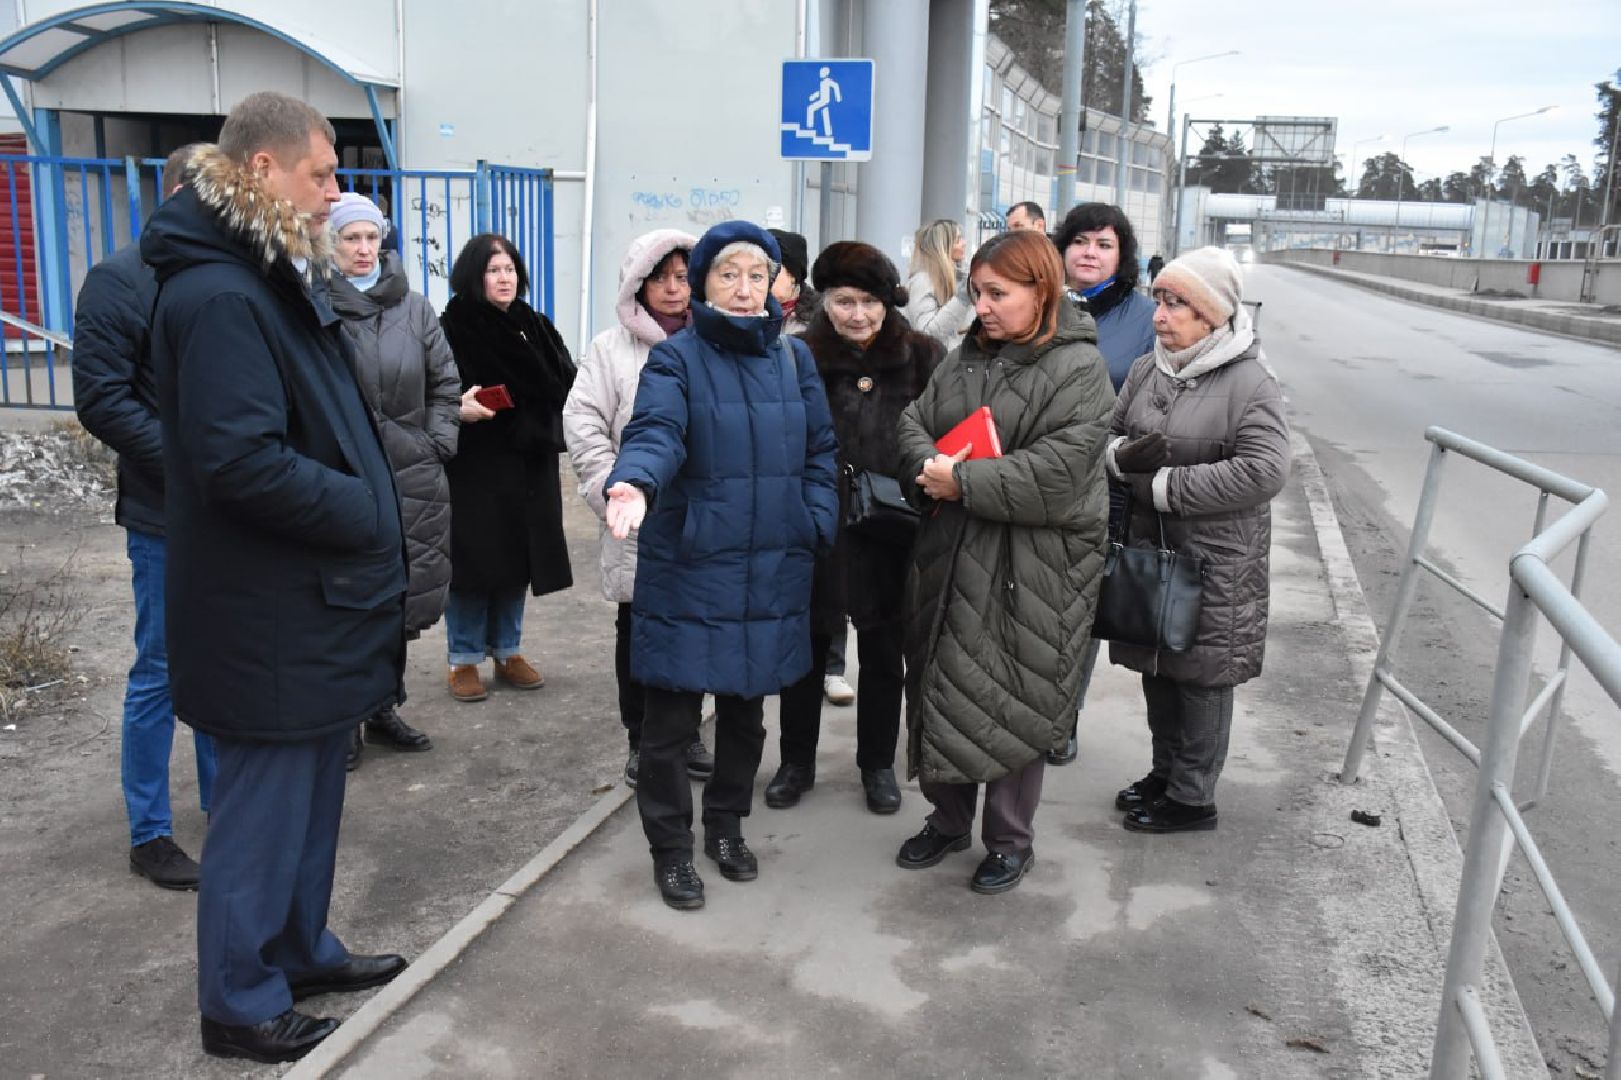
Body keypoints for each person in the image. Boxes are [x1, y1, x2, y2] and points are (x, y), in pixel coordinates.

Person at [141, 92, 408, 1064]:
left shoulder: (262, 275)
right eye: (321, 173)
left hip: (307, 603)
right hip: (266, 610)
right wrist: (363, 509)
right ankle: (240, 1003)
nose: (335, 193)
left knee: (309, 803)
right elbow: (239, 461)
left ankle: (297, 951)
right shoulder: (217, 294)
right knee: (260, 816)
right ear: (261, 171)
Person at [602, 221, 837, 912]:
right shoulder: (676, 361)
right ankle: (670, 851)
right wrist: (634, 483)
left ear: (775, 285)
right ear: (702, 283)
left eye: (756, 275)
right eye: (727, 274)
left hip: (770, 565)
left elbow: (822, 452)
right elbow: (655, 433)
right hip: (692, 565)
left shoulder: (794, 363)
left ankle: (726, 829)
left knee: (745, 717)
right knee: (670, 727)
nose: (743, 289)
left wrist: (813, 519)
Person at [893, 230, 1113, 896]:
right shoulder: (963, 357)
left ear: (1039, 291)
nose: (981, 307)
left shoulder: (1077, 369)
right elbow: (913, 420)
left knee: (1017, 693)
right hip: (951, 551)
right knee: (941, 681)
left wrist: (962, 483)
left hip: (1034, 565)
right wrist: (926, 466)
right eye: (976, 292)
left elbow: (1060, 470)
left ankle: (1010, 839)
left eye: (997, 294)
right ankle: (948, 819)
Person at [1106, 246, 1291, 833]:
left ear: (1213, 314)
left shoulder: (1249, 381)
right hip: (1151, 551)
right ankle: (1165, 775)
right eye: (1159, 300)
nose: (1161, 315)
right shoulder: (1147, 369)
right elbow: (1107, 437)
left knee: (1203, 677)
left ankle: (1193, 798)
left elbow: (1265, 471)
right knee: (1158, 667)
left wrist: (1163, 487)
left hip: (1216, 560)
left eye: (1177, 304)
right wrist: (1118, 459)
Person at [71, 144, 217, 891]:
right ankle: (149, 832)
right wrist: (193, 464)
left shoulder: (230, 275)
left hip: (234, 512)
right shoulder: (119, 279)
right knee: (161, 667)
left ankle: (226, 808)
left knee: (224, 663)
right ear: (190, 191)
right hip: (166, 511)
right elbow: (101, 398)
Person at [766, 242, 944, 815]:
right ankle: (797, 760)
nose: (858, 315)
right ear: (826, 301)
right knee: (808, 646)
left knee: (885, 646)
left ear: (889, 302)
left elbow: (947, 432)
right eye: (845, 301)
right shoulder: (795, 356)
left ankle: (877, 765)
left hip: (895, 527)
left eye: (870, 302)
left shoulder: (922, 356)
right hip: (815, 523)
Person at [563, 228, 714, 788]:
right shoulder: (610, 349)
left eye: (683, 277)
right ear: (638, 284)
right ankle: (641, 739)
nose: (674, 290)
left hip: (700, 518)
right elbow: (584, 425)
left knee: (694, 627)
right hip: (637, 515)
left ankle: (689, 732)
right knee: (640, 629)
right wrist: (613, 488)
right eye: (661, 278)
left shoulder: (713, 342)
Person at [327, 192, 464, 770]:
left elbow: (445, 382)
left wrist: (437, 442)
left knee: (400, 592)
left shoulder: (414, 308)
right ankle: (342, 720)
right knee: (345, 596)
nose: (363, 250)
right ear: (329, 245)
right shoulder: (314, 304)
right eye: (349, 239)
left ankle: (383, 706)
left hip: (411, 469)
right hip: (343, 472)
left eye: (370, 238)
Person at [438, 234, 577, 702]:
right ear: (474, 276)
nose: (505, 278)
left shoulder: (533, 323)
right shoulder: (451, 326)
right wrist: (458, 406)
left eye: (510, 269)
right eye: (494, 270)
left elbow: (565, 379)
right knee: (475, 560)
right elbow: (436, 391)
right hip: (477, 461)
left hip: (530, 460)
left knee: (519, 556)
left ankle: (507, 648)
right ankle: (463, 657)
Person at [1047, 202, 1159, 766]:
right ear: (1062, 248)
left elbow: (1149, 401)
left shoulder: (1143, 316)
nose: (1091, 253)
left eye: (1105, 244)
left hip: (1099, 480)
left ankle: (1062, 719)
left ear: (1122, 255)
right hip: (1032, 472)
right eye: (1082, 241)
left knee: (1080, 606)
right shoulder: (1036, 300)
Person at [903, 219, 975, 346]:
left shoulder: (955, 278)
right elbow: (926, 333)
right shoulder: (922, 281)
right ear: (942, 246)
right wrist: (963, 297)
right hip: (933, 363)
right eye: (958, 239)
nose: (964, 243)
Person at [768, 227, 818, 335]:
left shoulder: (821, 318)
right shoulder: (748, 312)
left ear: (793, 276)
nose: (762, 280)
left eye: (771, 271)